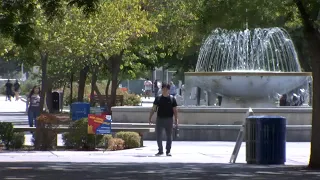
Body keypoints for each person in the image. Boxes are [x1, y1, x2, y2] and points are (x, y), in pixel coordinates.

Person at [148, 82, 179, 156]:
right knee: (158, 135)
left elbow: (175, 110)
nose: (164, 90)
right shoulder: (158, 98)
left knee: (169, 136)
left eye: (166, 89)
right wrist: (150, 117)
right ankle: (160, 150)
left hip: (169, 119)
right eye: (163, 89)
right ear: (161, 89)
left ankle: (168, 151)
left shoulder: (172, 99)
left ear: (168, 90)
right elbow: (153, 108)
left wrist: (176, 119)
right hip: (160, 119)